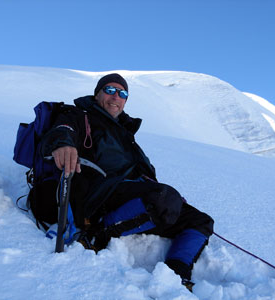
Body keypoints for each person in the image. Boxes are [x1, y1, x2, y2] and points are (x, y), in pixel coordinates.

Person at [39, 73, 214, 290]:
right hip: (101, 192)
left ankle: (176, 274)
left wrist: (159, 192)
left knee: (201, 221)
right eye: (110, 90)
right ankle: (98, 234)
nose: (116, 97)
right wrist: (64, 143)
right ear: (97, 94)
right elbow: (63, 130)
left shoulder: (125, 131)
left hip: (130, 194)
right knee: (164, 198)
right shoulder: (80, 115)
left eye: (122, 93)